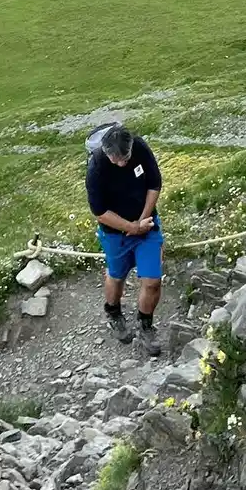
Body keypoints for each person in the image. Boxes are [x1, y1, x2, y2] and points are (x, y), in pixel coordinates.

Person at [85, 123, 163, 353]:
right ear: (106, 153)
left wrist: (142, 222)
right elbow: (99, 211)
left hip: (146, 225)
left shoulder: (140, 148)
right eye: (115, 159)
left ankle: (145, 324)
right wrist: (130, 227)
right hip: (115, 234)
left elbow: (154, 183)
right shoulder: (96, 167)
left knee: (152, 280)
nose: (122, 163)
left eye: (125, 157)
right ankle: (113, 312)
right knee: (116, 275)